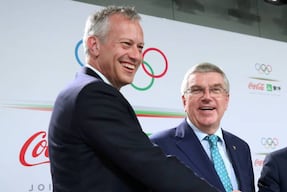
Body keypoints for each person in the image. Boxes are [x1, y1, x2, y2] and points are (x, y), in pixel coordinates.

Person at [47, 6, 220, 192]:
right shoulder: (93, 94)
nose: (136, 56)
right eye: (126, 44)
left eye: (140, 47)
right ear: (94, 45)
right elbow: (152, 166)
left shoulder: (81, 90)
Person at [150, 62, 255, 192]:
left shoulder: (241, 148)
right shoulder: (160, 145)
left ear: (226, 100)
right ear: (184, 101)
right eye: (197, 90)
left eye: (215, 90)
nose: (207, 97)